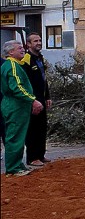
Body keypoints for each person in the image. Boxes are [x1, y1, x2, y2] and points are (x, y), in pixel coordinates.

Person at [1, 39, 44, 176]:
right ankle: (13, 168)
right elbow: (17, 87)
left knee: (19, 136)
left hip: (18, 106)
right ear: (10, 52)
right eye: (19, 48)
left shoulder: (16, 64)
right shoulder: (12, 65)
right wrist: (33, 100)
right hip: (15, 106)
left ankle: (18, 164)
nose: (22, 49)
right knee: (14, 137)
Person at [20, 33, 51, 166]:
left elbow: (44, 79)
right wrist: (32, 100)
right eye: (35, 41)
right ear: (28, 44)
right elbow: (25, 82)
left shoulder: (40, 58)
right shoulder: (26, 59)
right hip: (33, 100)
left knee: (42, 127)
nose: (38, 43)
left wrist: (47, 96)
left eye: (39, 40)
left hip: (42, 99)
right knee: (33, 129)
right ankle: (32, 157)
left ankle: (41, 154)